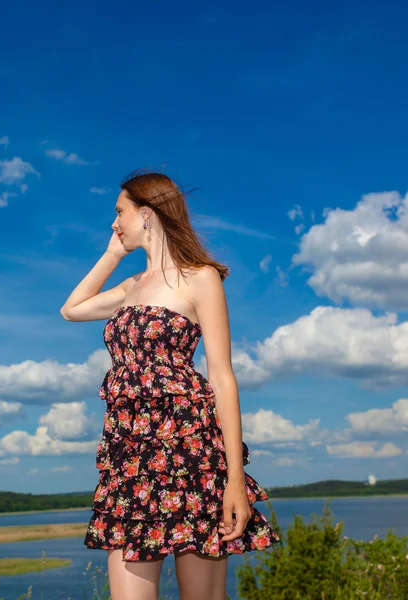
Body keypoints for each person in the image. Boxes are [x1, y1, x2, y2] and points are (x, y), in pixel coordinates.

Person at [60, 170, 280, 600]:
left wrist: (235, 479)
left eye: (119, 213)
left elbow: (222, 377)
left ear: (146, 213)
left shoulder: (200, 278)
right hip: (130, 458)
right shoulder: (129, 287)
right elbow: (72, 309)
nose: (113, 223)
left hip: (191, 454)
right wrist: (112, 253)